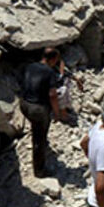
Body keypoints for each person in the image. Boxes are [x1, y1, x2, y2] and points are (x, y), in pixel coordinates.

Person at [20, 47, 65, 177]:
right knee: (39, 141)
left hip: (24, 104)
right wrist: (57, 113)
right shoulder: (50, 72)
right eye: (56, 60)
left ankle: (39, 136)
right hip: (37, 109)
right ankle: (39, 170)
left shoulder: (30, 66)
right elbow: (53, 95)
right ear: (53, 59)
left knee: (37, 127)